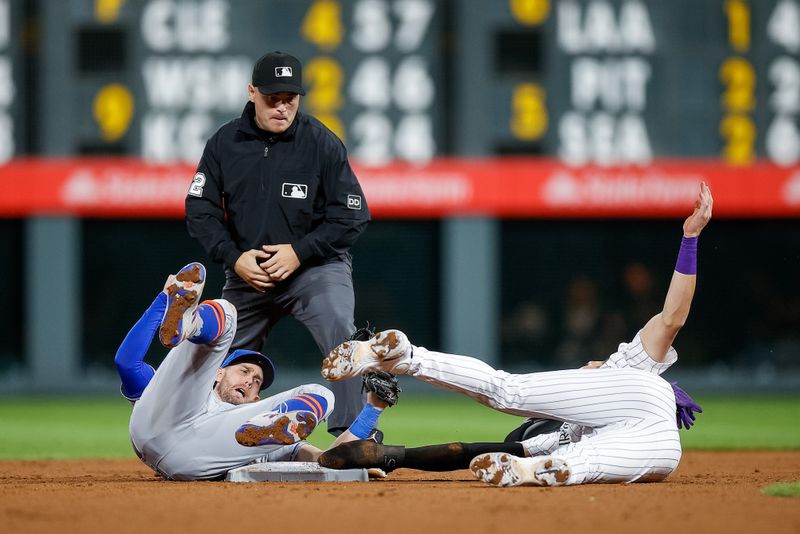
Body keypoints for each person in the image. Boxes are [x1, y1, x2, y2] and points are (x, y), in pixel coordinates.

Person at [318, 183, 713, 487]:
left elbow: (470, 451)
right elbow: (673, 319)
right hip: (656, 441)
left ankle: (405, 356)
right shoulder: (604, 385)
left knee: (512, 393)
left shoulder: (606, 381)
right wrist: (390, 456)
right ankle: (527, 471)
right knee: (579, 455)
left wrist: (392, 455)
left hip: (643, 408)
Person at [185, 51, 370, 436]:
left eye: (291, 98)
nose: (282, 106)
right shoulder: (224, 143)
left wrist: (300, 251)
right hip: (248, 274)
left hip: (315, 269)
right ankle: (206, 431)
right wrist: (234, 259)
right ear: (252, 92)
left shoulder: (321, 143)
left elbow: (352, 215)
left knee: (338, 324)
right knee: (214, 351)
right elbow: (199, 208)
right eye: (273, 97)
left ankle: (353, 436)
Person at [114, 262, 390, 481]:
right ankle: (190, 325)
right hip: (156, 426)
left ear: (256, 402)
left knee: (321, 395)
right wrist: (164, 300)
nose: (249, 380)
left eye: (257, 382)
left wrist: (372, 411)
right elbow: (127, 363)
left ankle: (193, 325)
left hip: (198, 456)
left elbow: (326, 458)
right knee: (227, 311)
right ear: (218, 374)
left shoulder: (260, 425)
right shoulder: (177, 393)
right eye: (244, 371)